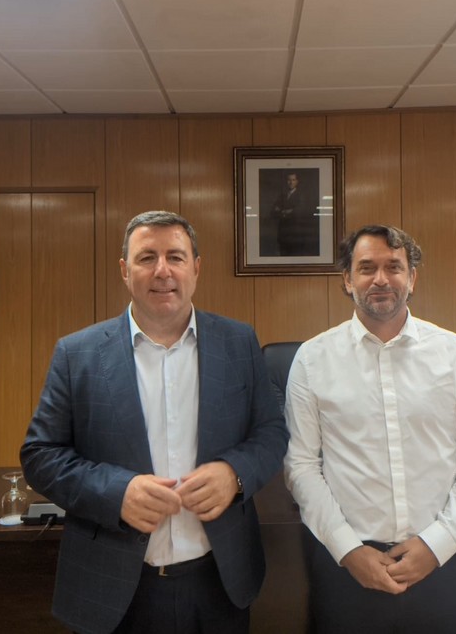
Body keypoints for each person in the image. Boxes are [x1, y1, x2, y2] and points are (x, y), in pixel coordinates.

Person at [21, 210, 289, 634]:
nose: (162, 270)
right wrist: (116, 492)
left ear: (196, 269)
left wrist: (235, 474)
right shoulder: (78, 354)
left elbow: (272, 433)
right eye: (147, 257)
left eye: (176, 257)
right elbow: (40, 455)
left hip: (220, 583)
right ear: (125, 271)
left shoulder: (238, 342)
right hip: (112, 587)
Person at [283, 224, 456, 634]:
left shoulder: (455, 355)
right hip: (345, 571)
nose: (380, 279)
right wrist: (349, 551)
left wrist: (436, 545)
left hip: (441, 565)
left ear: (412, 277)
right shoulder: (313, 360)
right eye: (366, 268)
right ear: (347, 280)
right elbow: (301, 467)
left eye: (394, 267)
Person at [270, 172, 313, 256]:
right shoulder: (281, 196)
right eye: (289, 180)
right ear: (286, 181)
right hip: (283, 234)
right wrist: (287, 211)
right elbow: (272, 212)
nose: (291, 182)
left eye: (293, 180)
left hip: (296, 235)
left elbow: (301, 212)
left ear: (297, 181)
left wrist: (284, 211)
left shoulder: (301, 196)